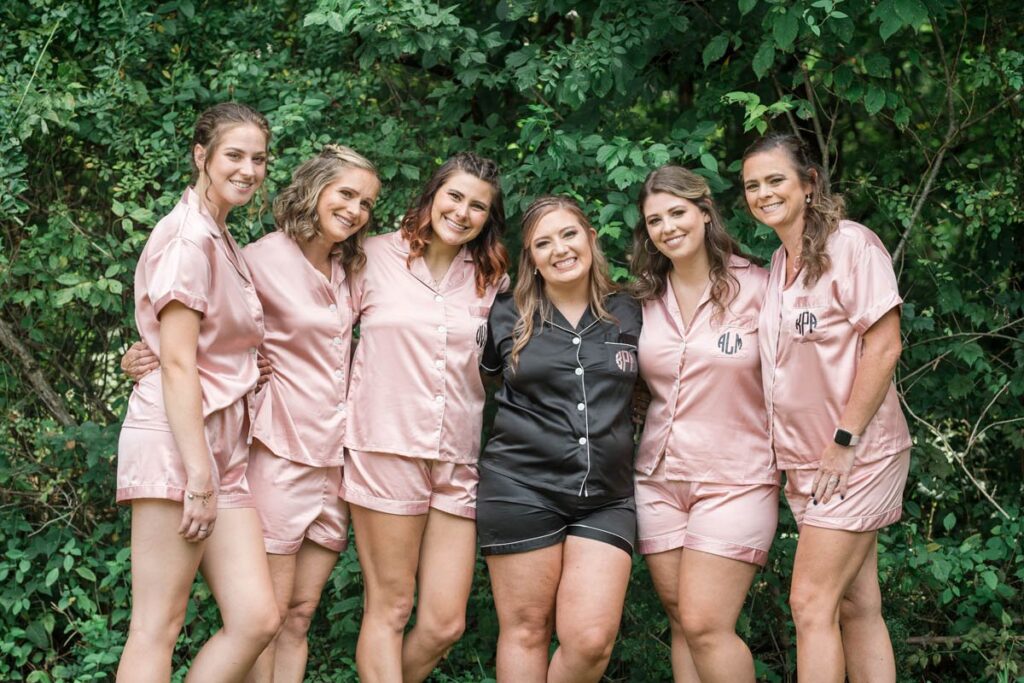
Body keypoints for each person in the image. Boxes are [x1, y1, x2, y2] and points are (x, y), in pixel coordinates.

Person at [122, 145, 382, 682]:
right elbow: (198, 325)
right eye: (346, 194)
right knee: (263, 613)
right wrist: (145, 350)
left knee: (296, 615)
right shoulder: (255, 257)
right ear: (314, 189)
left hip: (334, 458)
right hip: (273, 448)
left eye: (366, 202)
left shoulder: (356, 267)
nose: (356, 210)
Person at [115, 102, 280, 682]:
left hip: (221, 443)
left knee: (258, 618)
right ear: (201, 156)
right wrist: (198, 473)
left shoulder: (221, 236)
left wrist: (243, 368)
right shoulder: (188, 238)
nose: (248, 169)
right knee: (158, 623)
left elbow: (205, 347)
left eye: (258, 158)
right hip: (179, 440)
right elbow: (179, 362)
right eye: (234, 155)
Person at [741, 132, 911, 683]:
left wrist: (844, 442)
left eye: (775, 180)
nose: (763, 193)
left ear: (809, 185)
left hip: (854, 456)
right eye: (752, 186)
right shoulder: (778, 262)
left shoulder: (851, 245)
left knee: (809, 603)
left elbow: (885, 345)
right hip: (806, 463)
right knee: (857, 607)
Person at [341, 152, 509, 683]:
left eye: (477, 206)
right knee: (390, 608)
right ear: (433, 194)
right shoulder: (369, 258)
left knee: (443, 623)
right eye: (454, 196)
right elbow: (299, 320)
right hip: (385, 447)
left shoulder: (491, 280)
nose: (462, 212)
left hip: (457, 457)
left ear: (488, 218)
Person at [476, 196, 641, 683]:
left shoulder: (631, 310)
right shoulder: (506, 314)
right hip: (519, 488)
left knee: (590, 641)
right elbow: (485, 379)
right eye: (542, 243)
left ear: (591, 237)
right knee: (526, 630)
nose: (559, 249)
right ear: (531, 258)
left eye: (568, 234)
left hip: (607, 498)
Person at [630, 166, 779, 683]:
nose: (667, 227)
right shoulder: (644, 300)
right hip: (658, 480)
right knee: (680, 623)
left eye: (677, 212)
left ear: (705, 212)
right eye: (654, 219)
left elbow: (803, 374)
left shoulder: (759, 288)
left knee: (707, 623)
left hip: (735, 479)